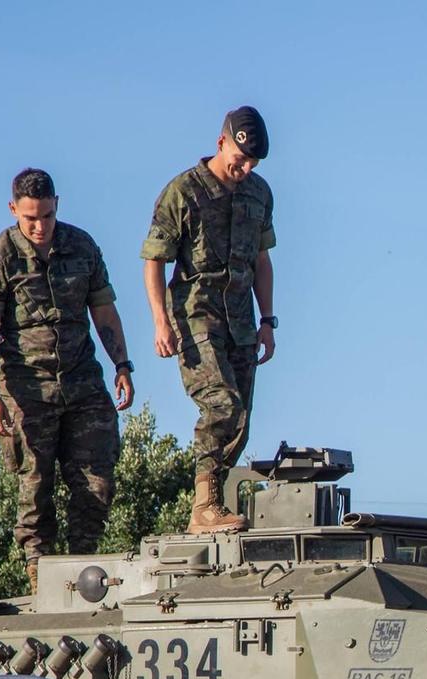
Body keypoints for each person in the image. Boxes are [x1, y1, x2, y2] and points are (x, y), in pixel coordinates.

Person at [0, 167, 133, 594]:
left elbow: (104, 313)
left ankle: (83, 574)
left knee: (96, 479)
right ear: (13, 210)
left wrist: (123, 365)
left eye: (46, 215)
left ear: (57, 205)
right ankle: (42, 579)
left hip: (82, 379)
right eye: (29, 218)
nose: (39, 226)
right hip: (27, 387)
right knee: (35, 483)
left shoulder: (82, 247)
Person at [141, 106, 277, 535]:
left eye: (253, 163)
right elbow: (154, 261)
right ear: (221, 143)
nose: (245, 169)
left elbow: (262, 259)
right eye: (240, 160)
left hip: (241, 320)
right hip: (195, 316)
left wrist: (269, 320)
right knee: (222, 405)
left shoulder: (259, 193)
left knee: (241, 421)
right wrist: (160, 322)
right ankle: (204, 506)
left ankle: (213, 503)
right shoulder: (183, 191)